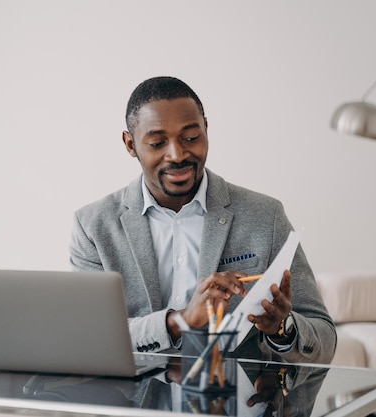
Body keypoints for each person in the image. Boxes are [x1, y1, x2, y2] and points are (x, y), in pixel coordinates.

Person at [69, 76, 336, 364]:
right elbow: (88, 338)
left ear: (206, 129)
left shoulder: (265, 215)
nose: (177, 154)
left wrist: (282, 329)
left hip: (234, 402)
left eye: (191, 138)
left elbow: (324, 340)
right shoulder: (93, 226)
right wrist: (180, 320)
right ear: (130, 144)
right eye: (157, 142)